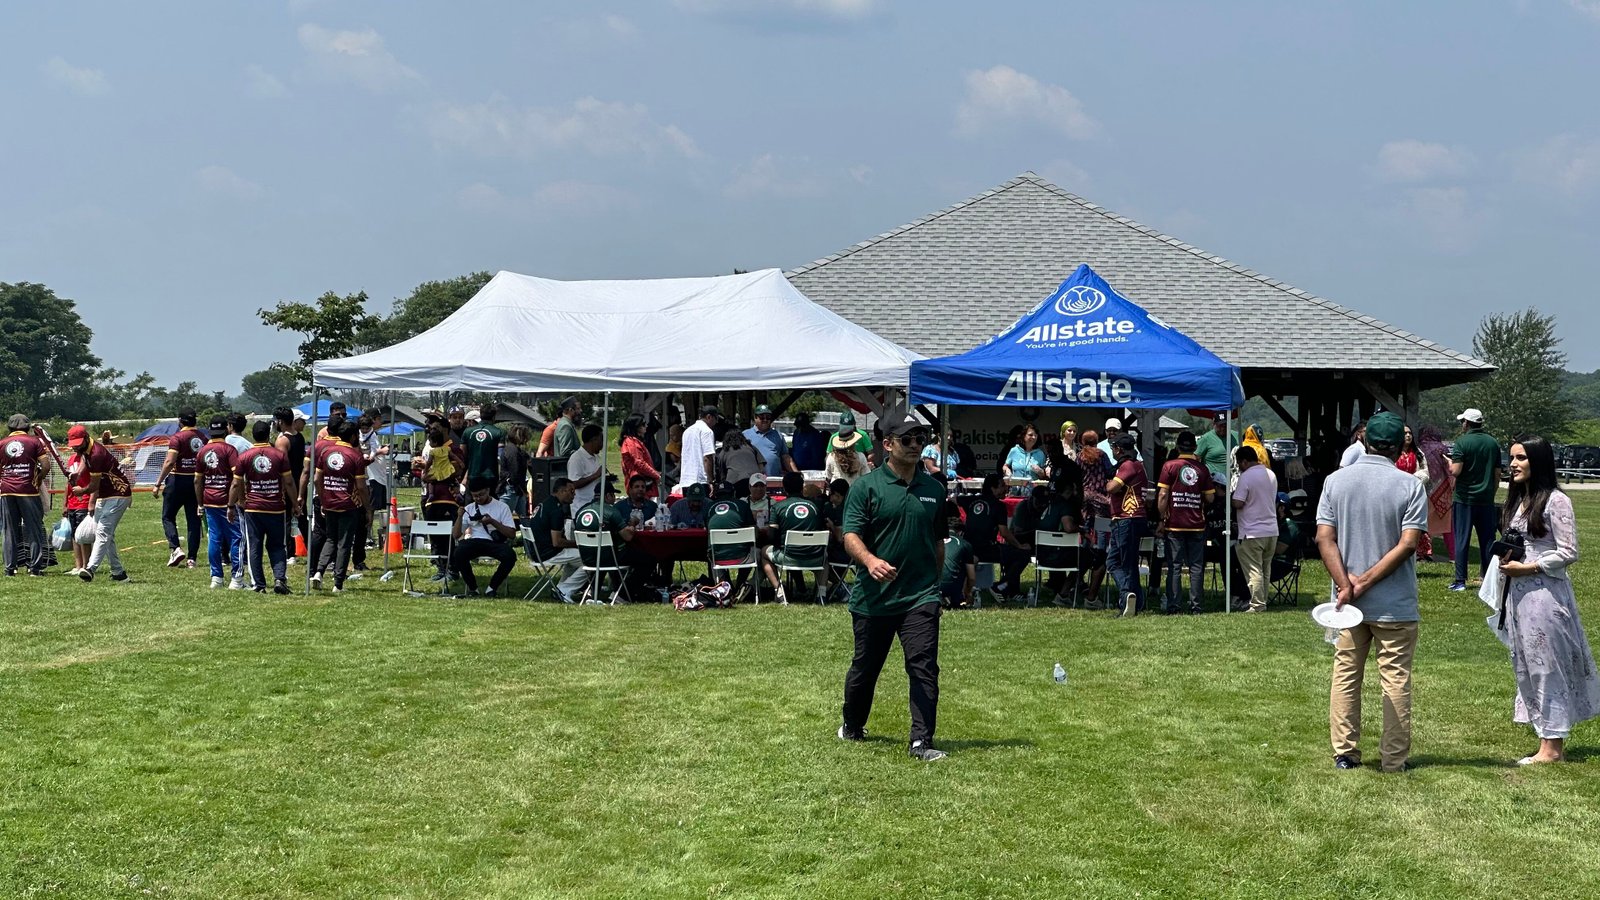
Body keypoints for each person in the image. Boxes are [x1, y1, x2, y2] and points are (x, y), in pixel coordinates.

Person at [1316, 411, 1427, 773]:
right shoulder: (1410, 486)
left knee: (1346, 675)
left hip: (1347, 604)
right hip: (1395, 603)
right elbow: (1408, 544)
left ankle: (1345, 752)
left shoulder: (1335, 481)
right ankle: (1394, 760)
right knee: (1395, 680)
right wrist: (1364, 581)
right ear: (1399, 448)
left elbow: (1324, 538)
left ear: (1363, 441)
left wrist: (1347, 584)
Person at [837, 409, 948, 761]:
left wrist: (933, 586)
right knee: (865, 669)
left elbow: (939, 542)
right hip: (874, 599)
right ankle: (852, 725)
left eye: (921, 439)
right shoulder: (866, 487)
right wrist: (870, 561)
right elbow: (850, 536)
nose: (916, 445)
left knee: (923, 667)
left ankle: (921, 742)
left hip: (920, 596)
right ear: (887, 445)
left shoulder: (934, 489)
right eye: (907, 439)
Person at [1494, 435, 1600, 764]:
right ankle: (1546, 740)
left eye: (1521, 458)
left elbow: (1569, 551)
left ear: (1538, 461)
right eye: (1512, 458)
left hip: (1544, 595)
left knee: (1547, 666)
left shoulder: (1556, 501)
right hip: (1518, 596)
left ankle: (1552, 748)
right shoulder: (1519, 499)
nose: (1513, 464)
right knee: (1528, 665)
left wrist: (1529, 567)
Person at [232, 421, 296, 595]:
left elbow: (237, 483)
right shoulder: (279, 456)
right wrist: (295, 503)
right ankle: (279, 578)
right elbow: (289, 482)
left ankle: (259, 585)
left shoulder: (244, 457)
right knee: (277, 546)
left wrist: (239, 501)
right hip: (276, 508)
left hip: (253, 509)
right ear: (269, 435)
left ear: (253, 436)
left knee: (254, 546)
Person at [1158, 430, 1216, 615]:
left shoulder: (1169, 466)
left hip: (1174, 523)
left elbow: (1163, 495)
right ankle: (1196, 606)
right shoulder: (1202, 469)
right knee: (1196, 566)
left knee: (1174, 566)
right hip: (1197, 524)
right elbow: (1211, 497)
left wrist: (1161, 518)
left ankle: (1174, 606)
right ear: (1195, 447)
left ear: (1177, 446)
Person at [72, 424, 134, 583]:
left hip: (119, 494)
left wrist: (81, 491)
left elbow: (93, 486)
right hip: (105, 495)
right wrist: (78, 473)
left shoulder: (97, 454)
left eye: (78, 444)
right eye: (73, 445)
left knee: (102, 531)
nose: (75, 448)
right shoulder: (87, 449)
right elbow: (84, 459)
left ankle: (90, 569)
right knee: (107, 536)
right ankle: (118, 573)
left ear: (86, 438)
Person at [1449, 407, 1501, 592]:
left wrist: (1449, 463)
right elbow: (1497, 473)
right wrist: (1491, 492)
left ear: (1467, 423)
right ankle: (1488, 579)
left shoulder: (1462, 442)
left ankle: (1460, 580)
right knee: (1487, 540)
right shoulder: (1493, 443)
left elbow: (1456, 471)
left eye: (1462, 421)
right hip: (1486, 499)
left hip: (1464, 498)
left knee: (1462, 539)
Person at [572, 478, 650, 602]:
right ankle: (623, 595)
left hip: (587, 557)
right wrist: (632, 524)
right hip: (609, 558)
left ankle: (592, 592)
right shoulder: (610, 511)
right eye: (613, 495)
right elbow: (628, 537)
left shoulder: (581, 511)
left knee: (602, 551)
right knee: (647, 559)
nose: (614, 499)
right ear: (608, 495)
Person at [314, 420, 369, 593]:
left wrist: (322, 499)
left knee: (330, 539)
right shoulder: (355, 456)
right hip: (348, 504)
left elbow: (316, 479)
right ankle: (338, 584)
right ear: (353, 437)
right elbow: (361, 487)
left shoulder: (325, 452)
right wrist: (367, 508)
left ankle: (318, 572)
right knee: (344, 544)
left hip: (329, 502)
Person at [151, 407, 205, 569]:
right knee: (194, 520)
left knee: (168, 516)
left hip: (177, 480)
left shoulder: (177, 437)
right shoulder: (203, 437)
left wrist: (158, 483)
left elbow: (169, 462)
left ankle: (175, 548)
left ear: (180, 421)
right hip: (196, 481)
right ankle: (192, 559)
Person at [194, 416, 243, 590]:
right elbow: (237, 478)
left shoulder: (202, 451)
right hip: (227, 501)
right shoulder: (229, 450)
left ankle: (216, 577)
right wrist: (237, 501)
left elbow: (197, 481)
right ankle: (236, 580)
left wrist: (200, 503)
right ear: (226, 430)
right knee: (236, 538)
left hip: (209, 501)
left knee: (214, 539)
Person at [1104, 434, 1149, 617]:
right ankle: (1137, 601)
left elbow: (1111, 488)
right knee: (1116, 562)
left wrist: (1108, 482)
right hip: (1125, 519)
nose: (1113, 451)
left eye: (1113, 448)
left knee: (1124, 563)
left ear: (1119, 449)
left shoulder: (1128, 465)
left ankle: (1126, 597)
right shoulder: (1137, 465)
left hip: (1127, 518)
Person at [451, 477, 518, 597]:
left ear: (488, 490)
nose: (478, 498)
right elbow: (456, 535)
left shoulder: (502, 507)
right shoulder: (470, 508)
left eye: (481, 495)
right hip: (474, 541)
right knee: (458, 553)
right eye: (474, 496)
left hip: (494, 542)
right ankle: (473, 588)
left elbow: (511, 534)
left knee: (510, 556)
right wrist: (459, 517)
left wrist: (492, 522)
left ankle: (492, 588)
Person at [767, 471, 829, 601]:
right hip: (816, 558)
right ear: (802, 487)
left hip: (788, 557)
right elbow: (823, 530)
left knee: (762, 553)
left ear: (784, 488)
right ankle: (822, 594)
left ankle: (779, 592)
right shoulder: (816, 507)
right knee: (825, 557)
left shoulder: (777, 507)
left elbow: (771, 537)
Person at [1, 414, 50, 577]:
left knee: (9, 530)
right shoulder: (34, 441)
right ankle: (35, 568)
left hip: (7, 490)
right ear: (27, 427)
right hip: (28, 489)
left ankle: (10, 568)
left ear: (10, 428)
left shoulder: (1, 443)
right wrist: (39, 478)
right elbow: (46, 465)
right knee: (33, 528)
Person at [1232, 445, 1279, 612]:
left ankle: (1257, 604)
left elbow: (1238, 502)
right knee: (1265, 570)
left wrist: (1231, 499)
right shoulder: (1271, 474)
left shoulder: (1246, 477)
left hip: (1252, 531)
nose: (1239, 467)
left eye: (1239, 463)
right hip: (1271, 530)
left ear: (1244, 462)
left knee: (1254, 570)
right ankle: (1263, 601)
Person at [416, 422, 464, 583]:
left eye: (435, 429)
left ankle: (453, 569)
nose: (432, 431)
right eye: (430, 429)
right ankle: (441, 568)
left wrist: (437, 475)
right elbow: (425, 476)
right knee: (436, 537)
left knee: (449, 537)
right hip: (432, 501)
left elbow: (457, 471)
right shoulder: (430, 450)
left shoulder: (453, 449)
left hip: (448, 499)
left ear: (445, 431)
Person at [528, 477, 584, 602]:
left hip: (535, 552)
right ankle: (564, 589)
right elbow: (557, 542)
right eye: (571, 491)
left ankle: (560, 589)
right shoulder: (556, 510)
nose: (574, 495)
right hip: (548, 553)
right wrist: (578, 544)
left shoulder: (545, 503)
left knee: (575, 559)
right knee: (592, 560)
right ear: (562, 491)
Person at [1077, 431, 1112, 607]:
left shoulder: (1080, 456)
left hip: (1084, 499)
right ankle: (1100, 557)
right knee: (1102, 534)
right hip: (1100, 500)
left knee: (1085, 533)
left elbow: (1076, 475)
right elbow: (1110, 471)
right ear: (1097, 441)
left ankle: (1082, 567)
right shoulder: (1102, 455)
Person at [273, 407, 308, 566]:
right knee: (301, 517)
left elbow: (282, 466)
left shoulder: (282, 440)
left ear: (280, 421)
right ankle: (311, 547)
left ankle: (290, 553)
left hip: (289, 483)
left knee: (287, 518)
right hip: (300, 481)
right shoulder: (299, 437)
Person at [1416, 426, 1455, 563]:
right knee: (1448, 525)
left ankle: (1425, 552)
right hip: (1443, 491)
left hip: (1425, 490)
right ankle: (1453, 555)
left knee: (1424, 523)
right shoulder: (1442, 448)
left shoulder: (1420, 449)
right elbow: (1449, 470)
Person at [61, 432, 95, 577]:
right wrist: (65, 503)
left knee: (83, 536)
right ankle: (78, 565)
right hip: (72, 503)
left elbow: (94, 482)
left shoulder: (89, 459)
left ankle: (87, 565)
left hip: (84, 502)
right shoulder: (71, 460)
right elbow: (68, 484)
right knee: (74, 535)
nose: (75, 448)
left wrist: (91, 501)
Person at [742, 404, 795, 477]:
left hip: (774, 479)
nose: (765, 420)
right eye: (762, 417)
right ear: (755, 418)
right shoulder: (745, 435)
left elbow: (786, 457)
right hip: (753, 481)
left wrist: (796, 474)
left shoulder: (778, 435)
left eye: (768, 417)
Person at [939, 505, 977, 608]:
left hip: (931, 586)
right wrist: (968, 592)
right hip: (952, 587)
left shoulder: (934, 541)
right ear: (960, 532)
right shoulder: (964, 544)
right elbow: (972, 578)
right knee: (967, 563)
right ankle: (960, 596)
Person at [462, 402, 505, 489]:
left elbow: (463, 454)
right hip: (491, 476)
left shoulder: (467, 432)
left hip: (472, 475)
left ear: (481, 415)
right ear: (494, 417)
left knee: (473, 497)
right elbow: (500, 457)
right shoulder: (498, 432)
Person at [619, 414, 661, 499]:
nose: (646, 426)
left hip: (640, 481)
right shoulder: (631, 442)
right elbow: (639, 463)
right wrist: (655, 475)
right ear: (636, 427)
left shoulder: (633, 441)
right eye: (643, 424)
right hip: (639, 483)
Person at [679, 405, 721, 489]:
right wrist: (711, 481)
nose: (716, 422)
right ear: (709, 417)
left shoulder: (687, 431)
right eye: (716, 419)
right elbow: (707, 458)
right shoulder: (707, 431)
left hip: (685, 481)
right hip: (700, 481)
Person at [498, 423, 533, 517]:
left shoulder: (514, 450)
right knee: (503, 517)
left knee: (521, 517)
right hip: (512, 488)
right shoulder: (513, 451)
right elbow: (515, 472)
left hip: (515, 489)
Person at [567, 424, 605, 507]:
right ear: (594, 440)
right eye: (601, 440)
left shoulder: (595, 457)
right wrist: (595, 475)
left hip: (595, 504)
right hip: (581, 506)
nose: (602, 445)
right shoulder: (576, 458)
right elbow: (573, 484)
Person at [1195, 413, 1237, 485]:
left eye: (1225, 425)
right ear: (1214, 424)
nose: (1223, 428)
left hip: (1234, 482)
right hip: (1214, 483)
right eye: (1220, 426)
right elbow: (1195, 458)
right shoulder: (1206, 438)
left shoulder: (1236, 436)